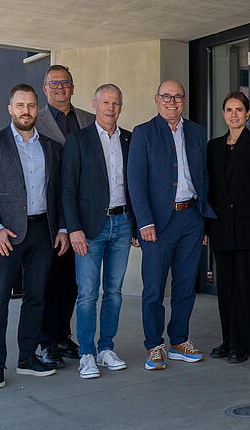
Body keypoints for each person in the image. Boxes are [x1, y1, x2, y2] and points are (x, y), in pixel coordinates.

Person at [0, 84, 69, 389]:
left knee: (36, 296)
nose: (26, 111)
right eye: (20, 105)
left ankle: (27, 357)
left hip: (43, 231)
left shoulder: (52, 148)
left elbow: (60, 192)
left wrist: (63, 227)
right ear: (9, 109)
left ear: (37, 109)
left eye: (31, 106)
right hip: (5, 234)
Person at [127, 79, 216, 370]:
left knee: (185, 285)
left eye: (177, 97)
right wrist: (144, 222)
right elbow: (136, 183)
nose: (172, 101)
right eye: (166, 96)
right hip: (158, 223)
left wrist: (202, 219)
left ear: (184, 100)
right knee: (154, 288)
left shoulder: (196, 132)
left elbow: (202, 177)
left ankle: (179, 341)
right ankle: (154, 345)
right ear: (156, 99)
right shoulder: (143, 133)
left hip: (191, 218)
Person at [61, 84, 136, 379]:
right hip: (90, 228)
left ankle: (106, 348)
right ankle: (87, 354)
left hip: (122, 223)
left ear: (120, 107)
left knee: (114, 292)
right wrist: (74, 228)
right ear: (94, 105)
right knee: (88, 294)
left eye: (115, 103)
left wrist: (136, 225)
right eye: (105, 102)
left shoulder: (129, 139)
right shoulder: (78, 140)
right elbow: (67, 189)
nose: (110, 108)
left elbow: (136, 186)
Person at [34, 64, 96, 366]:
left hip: (84, 214)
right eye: (53, 83)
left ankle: (62, 335)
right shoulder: (36, 119)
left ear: (72, 87)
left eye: (65, 82)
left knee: (75, 281)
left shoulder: (87, 119)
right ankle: (46, 341)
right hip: (51, 212)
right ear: (45, 89)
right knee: (51, 280)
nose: (60, 87)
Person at [205, 92, 250, 363]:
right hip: (220, 228)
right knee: (226, 289)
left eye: (239, 109)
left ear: (248, 114)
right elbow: (208, 189)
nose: (234, 114)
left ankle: (242, 345)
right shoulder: (213, 146)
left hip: (248, 229)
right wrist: (207, 228)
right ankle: (228, 340)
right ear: (223, 114)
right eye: (229, 109)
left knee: (244, 289)